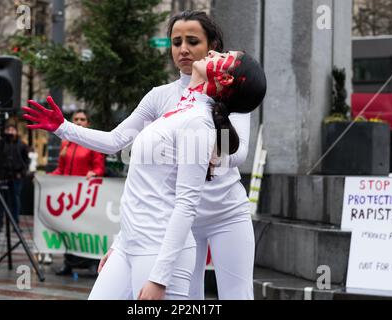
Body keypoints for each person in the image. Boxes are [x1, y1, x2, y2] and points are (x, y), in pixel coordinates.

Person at [26, 10, 259, 300]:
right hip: (175, 221)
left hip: (221, 212)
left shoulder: (225, 95)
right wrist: (64, 128)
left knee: (236, 294)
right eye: (176, 42)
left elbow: (238, 153)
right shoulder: (165, 98)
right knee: (194, 295)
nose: (183, 49)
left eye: (192, 41)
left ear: (211, 46)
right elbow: (118, 142)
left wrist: (202, 150)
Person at [49, 110, 106, 276]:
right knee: (68, 230)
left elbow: (99, 167)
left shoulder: (92, 143)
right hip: (68, 197)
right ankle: (68, 263)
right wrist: (44, 179)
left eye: (83, 119)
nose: (79, 121)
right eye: (76, 119)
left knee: (86, 230)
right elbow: (61, 169)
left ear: (88, 123)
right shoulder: (65, 143)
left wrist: (94, 173)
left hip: (85, 196)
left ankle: (91, 263)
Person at [0, 124, 30, 226]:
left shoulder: (21, 145)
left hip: (16, 177)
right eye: (8, 129)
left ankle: (15, 223)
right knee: (1, 201)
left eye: (12, 130)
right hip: (2, 176)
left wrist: (22, 173)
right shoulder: (1, 144)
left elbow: (26, 161)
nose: (10, 132)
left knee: (15, 200)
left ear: (16, 132)